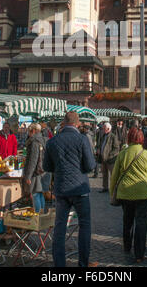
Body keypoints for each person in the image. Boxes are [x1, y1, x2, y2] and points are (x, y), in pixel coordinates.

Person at [43, 111, 96, 268]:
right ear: (78, 123)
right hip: (80, 189)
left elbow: (46, 167)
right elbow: (90, 165)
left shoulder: (52, 142)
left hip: (61, 189)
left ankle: (59, 265)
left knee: (60, 228)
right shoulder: (82, 139)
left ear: (63, 123)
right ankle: (83, 263)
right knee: (84, 226)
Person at [110, 127, 147, 263]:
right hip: (143, 193)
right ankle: (139, 254)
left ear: (129, 138)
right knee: (141, 222)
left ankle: (127, 247)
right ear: (141, 139)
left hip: (125, 193)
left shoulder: (123, 153)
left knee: (127, 221)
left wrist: (111, 193)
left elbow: (114, 176)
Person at [22, 123, 47, 213]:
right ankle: (43, 215)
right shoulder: (43, 139)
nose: (28, 134)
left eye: (29, 131)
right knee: (40, 194)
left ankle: (38, 216)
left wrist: (28, 176)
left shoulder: (35, 142)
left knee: (35, 193)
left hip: (36, 173)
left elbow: (33, 160)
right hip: (43, 171)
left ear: (33, 131)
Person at [96, 122, 121, 193]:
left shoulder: (113, 136)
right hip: (103, 158)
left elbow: (116, 148)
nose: (103, 129)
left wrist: (110, 156)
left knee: (113, 175)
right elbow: (101, 144)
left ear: (108, 129)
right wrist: (99, 149)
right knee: (104, 174)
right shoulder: (104, 135)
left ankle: (115, 188)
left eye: (104, 128)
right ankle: (105, 187)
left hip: (110, 159)